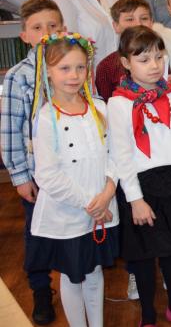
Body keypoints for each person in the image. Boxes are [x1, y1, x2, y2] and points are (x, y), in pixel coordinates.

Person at [108, 26, 171, 327]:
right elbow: (121, 155)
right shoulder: (119, 103)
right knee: (143, 257)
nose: (154, 65)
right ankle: (148, 316)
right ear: (125, 63)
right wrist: (135, 200)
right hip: (142, 189)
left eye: (159, 57)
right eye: (144, 59)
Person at [27, 33, 119, 327]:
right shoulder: (45, 117)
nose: (73, 75)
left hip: (103, 207)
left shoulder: (100, 109)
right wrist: (91, 205)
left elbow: (115, 155)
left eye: (80, 67)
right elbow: (47, 174)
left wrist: (107, 192)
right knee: (73, 275)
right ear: (48, 72)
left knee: (94, 273)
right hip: (69, 213)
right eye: (64, 68)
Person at [0, 0, 63, 325]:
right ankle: (40, 288)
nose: (46, 33)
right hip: (37, 173)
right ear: (24, 36)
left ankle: (74, 281)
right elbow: (10, 130)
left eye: (53, 26)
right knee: (36, 233)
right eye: (37, 28)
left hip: (71, 169)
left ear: (63, 30)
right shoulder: (18, 76)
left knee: (70, 229)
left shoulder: (75, 68)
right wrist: (20, 177)